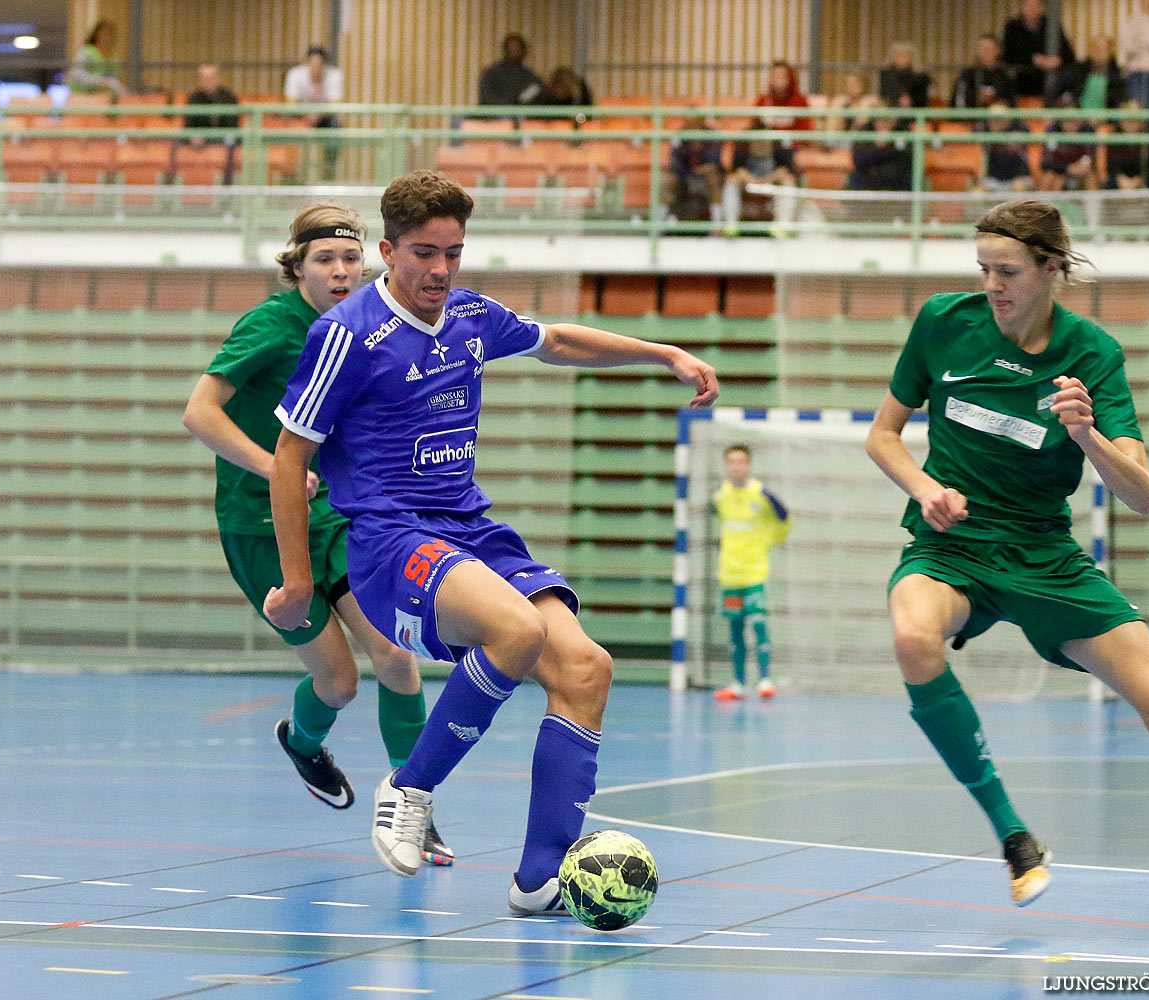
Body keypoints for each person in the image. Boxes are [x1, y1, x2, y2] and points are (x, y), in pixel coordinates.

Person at [263, 171, 718, 910]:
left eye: (453, 252)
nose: (439, 270)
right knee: (517, 627)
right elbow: (290, 456)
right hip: (388, 540)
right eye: (422, 253)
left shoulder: (471, 315)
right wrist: (300, 579)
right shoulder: (346, 335)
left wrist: (662, 351)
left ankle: (539, 880)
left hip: (471, 529)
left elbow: (557, 340)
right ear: (386, 251)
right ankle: (409, 787)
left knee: (586, 667)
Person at [864, 199, 1149, 934]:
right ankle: (1015, 837)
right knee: (913, 637)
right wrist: (925, 489)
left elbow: (1142, 495)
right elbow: (884, 435)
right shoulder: (942, 323)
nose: (993, 284)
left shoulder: (1092, 355)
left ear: (1052, 269)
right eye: (984, 269)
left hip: (1045, 556)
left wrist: (1087, 435)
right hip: (951, 545)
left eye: (1008, 270)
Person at [182, 204, 454, 866]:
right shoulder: (271, 327)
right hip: (261, 521)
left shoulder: (364, 327)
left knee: (396, 654)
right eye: (324, 260)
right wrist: (275, 465)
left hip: (339, 514)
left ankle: (413, 807)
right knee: (339, 684)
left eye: (349, 259)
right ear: (297, 267)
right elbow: (198, 412)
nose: (339, 271)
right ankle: (303, 742)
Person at [710, 444, 789, 701]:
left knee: (758, 623)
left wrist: (769, 541)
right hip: (730, 575)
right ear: (726, 465)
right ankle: (738, 684)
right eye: (731, 461)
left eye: (741, 461)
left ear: (749, 465)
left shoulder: (763, 495)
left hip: (755, 574)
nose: (736, 466)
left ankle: (765, 679)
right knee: (735, 629)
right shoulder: (719, 497)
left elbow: (784, 519)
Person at [284, 46, 344, 181]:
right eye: (312, 64)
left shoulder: (334, 75)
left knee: (335, 129)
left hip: (325, 117)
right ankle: (290, 178)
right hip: (300, 116)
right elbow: (291, 104)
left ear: (325, 65)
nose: (315, 68)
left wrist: (318, 114)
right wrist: (306, 114)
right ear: (306, 63)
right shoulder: (295, 74)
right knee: (289, 130)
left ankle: (329, 177)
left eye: (319, 65)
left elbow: (334, 105)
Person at [1002, 0, 1076, 101]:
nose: (1032, 9)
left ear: (1041, 8)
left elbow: (1069, 55)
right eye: (1029, 5)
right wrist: (1035, 60)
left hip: (1050, 87)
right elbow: (1008, 56)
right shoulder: (1012, 26)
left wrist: (1057, 60)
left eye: (1036, 6)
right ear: (1022, 7)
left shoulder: (1052, 25)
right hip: (1021, 84)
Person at [1048, 35, 1127, 111]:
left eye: (1102, 49)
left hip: (1106, 120)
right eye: (1095, 48)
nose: (1098, 52)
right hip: (1078, 119)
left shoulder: (1118, 75)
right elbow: (1056, 90)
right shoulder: (1077, 70)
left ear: (1109, 52)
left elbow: (1120, 101)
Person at [951, 34, 1018, 110]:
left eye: (987, 49)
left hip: (998, 118)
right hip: (972, 116)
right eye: (981, 49)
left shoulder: (1006, 74)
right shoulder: (967, 74)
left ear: (997, 51)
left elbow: (1011, 102)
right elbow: (959, 102)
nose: (984, 52)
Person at [479, 33, 543, 107]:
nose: (514, 50)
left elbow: (537, 97)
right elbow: (487, 98)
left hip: (522, 115)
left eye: (517, 47)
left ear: (524, 51)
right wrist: (508, 106)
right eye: (511, 47)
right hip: (494, 116)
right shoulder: (490, 74)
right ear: (504, 49)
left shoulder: (531, 77)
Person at [67, 19, 125, 96]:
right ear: (97, 34)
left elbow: (115, 78)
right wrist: (100, 81)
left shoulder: (114, 57)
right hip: (82, 96)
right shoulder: (86, 52)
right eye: (105, 33)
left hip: (104, 98)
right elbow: (77, 74)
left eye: (111, 34)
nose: (108, 37)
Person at [184, 63, 241, 135]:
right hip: (200, 140)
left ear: (218, 79)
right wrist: (194, 136)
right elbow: (189, 124)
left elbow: (233, 124)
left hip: (224, 138)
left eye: (211, 78)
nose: (208, 82)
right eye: (205, 79)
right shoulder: (193, 98)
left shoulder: (229, 97)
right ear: (200, 80)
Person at [879, 42, 932, 110]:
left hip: (915, 111)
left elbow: (924, 99)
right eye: (898, 55)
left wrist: (910, 100)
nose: (901, 58)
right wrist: (898, 99)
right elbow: (884, 95)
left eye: (905, 55)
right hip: (891, 111)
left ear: (912, 58)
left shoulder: (922, 77)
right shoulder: (886, 75)